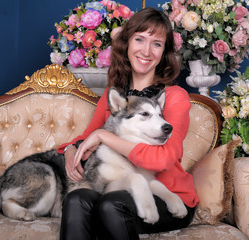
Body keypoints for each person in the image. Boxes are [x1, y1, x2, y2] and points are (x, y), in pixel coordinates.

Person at [57, 7, 199, 240]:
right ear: (127, 44)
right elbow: (86, 137)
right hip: (121, 188)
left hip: (169, 196)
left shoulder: (175, 96)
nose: (146, 50)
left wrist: (104, 136)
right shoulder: (113, 97)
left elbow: (163, 159)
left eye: (156, 43)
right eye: (139, 39)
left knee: (111, 205)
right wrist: (70, 150)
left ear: (164, 52)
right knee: (76, 198)